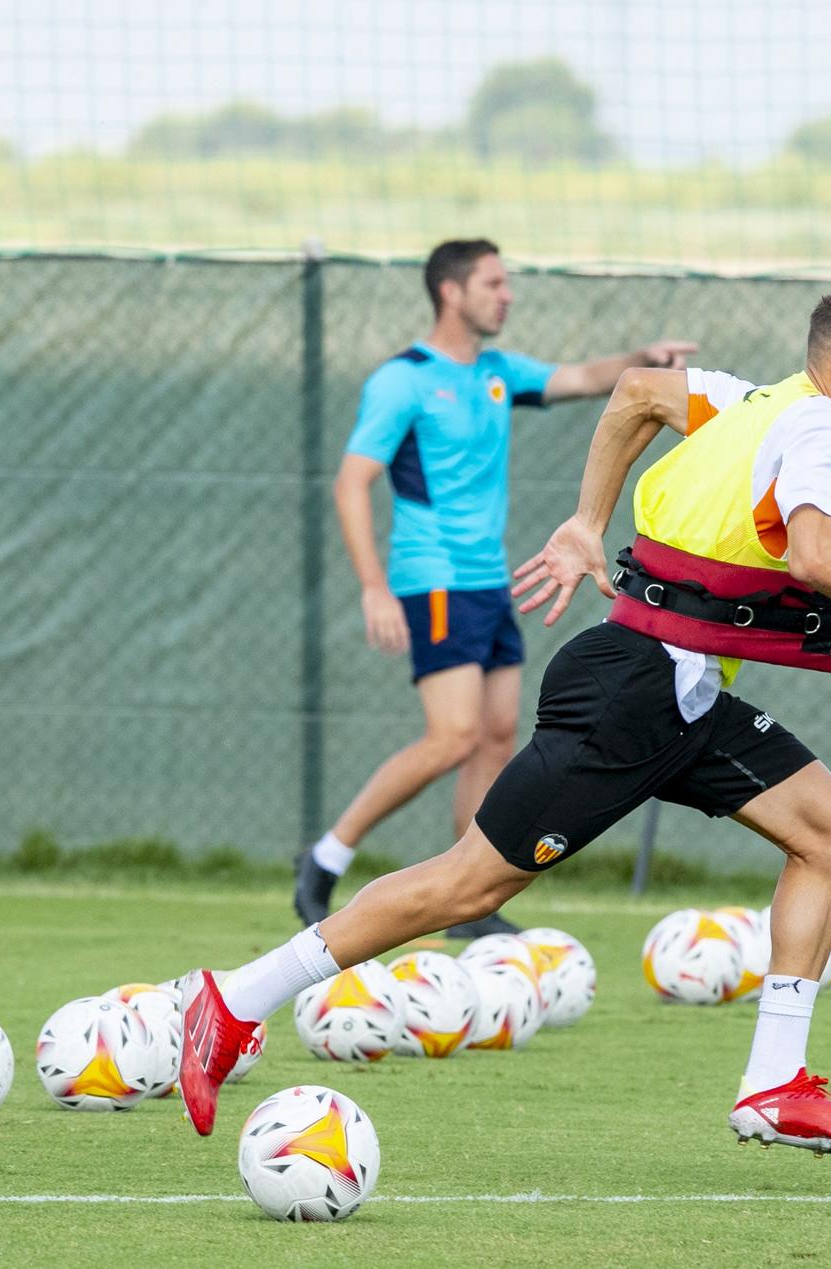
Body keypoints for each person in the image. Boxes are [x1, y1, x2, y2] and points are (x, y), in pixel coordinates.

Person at [184, 284, 831, 1150]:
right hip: (634, 692)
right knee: (471, 883)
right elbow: (818, 551)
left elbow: (637, 394)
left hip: (678, 693)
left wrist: (588, 522)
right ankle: (235, 999)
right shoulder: (824, 427)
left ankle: (773, 1083)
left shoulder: (752, 403)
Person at [295, 237, 696, 938]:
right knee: (451, 736)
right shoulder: (404, 380)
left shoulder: (496, 371)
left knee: (495, 738)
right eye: (493, 283)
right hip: (433, 581)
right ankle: (326, 856)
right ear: (452, 292)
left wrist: (645, 363)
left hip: (492, 583)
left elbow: (578, 377)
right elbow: (352, 481)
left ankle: (467, 901)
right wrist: (373, 587)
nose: (506, 294)